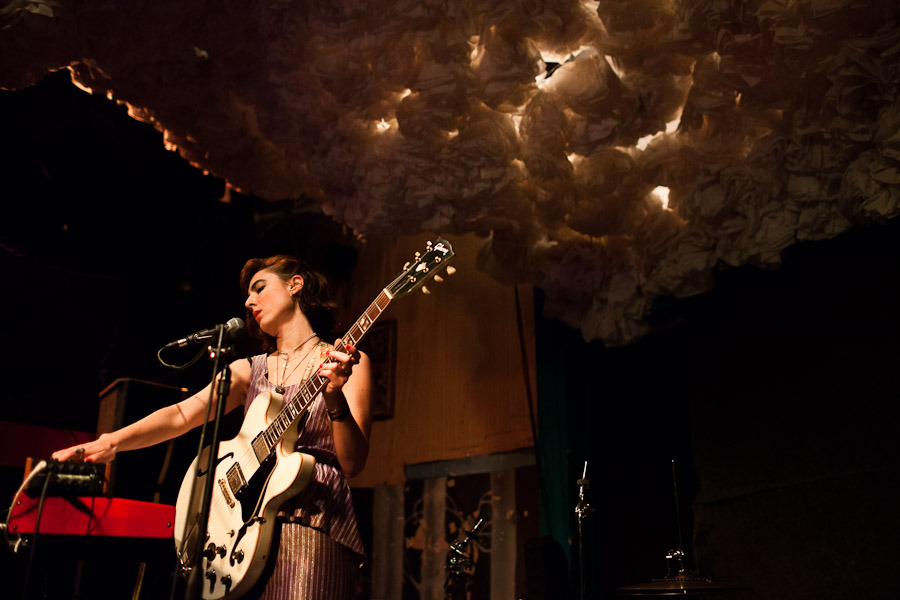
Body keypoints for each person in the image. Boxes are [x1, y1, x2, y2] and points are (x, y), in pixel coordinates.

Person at [52, 254, 372, 599]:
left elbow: (353, 464)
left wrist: (334, 397)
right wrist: (110, 443)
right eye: (248, 294)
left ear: (296, 284)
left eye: (259, 288)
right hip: (241, 534)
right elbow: (179, 415)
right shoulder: (247, 370)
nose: (249, 301)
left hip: (312, 517)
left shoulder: (346, 360)